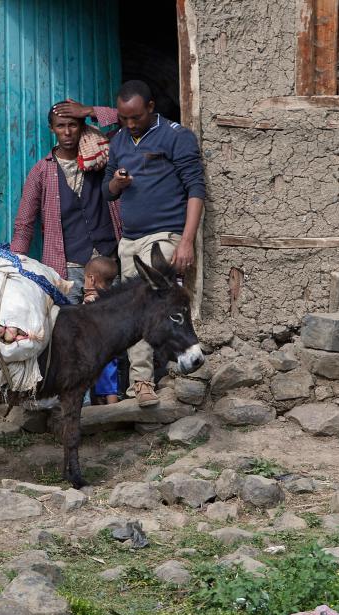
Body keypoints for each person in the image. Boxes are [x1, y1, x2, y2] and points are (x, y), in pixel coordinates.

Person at [103, 80, 205, 407]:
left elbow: (196, 190)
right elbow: (107, 192)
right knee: (134, 311)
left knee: (149, 303)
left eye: (136, 117)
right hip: (130, 239)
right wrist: (117, 184)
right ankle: (142, 379)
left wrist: (186, 241)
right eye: (124, 118)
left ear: (150, 107)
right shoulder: (118, 141)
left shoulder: (176, 136)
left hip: (164, 237)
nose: (130, 124)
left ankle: (143, 382)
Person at [11, 100, 122, 303]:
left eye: (73, 125)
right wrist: (14, 265)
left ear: (82, 126)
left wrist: (89, 110)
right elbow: (24, 224)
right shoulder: (41, 172)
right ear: (52, 128)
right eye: (61, 126)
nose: (68, 132)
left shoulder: (102, 156)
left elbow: (128, 118)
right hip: (68, 270)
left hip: (108, 264)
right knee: (70, 326)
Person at [82, 256, 120, 405]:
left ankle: (85, 407)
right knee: (110, 379)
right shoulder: (112, 299)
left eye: (85, 279)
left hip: (91, 349)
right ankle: (113, 408)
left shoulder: (91, 299)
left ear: (91, 279)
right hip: (110, 347)